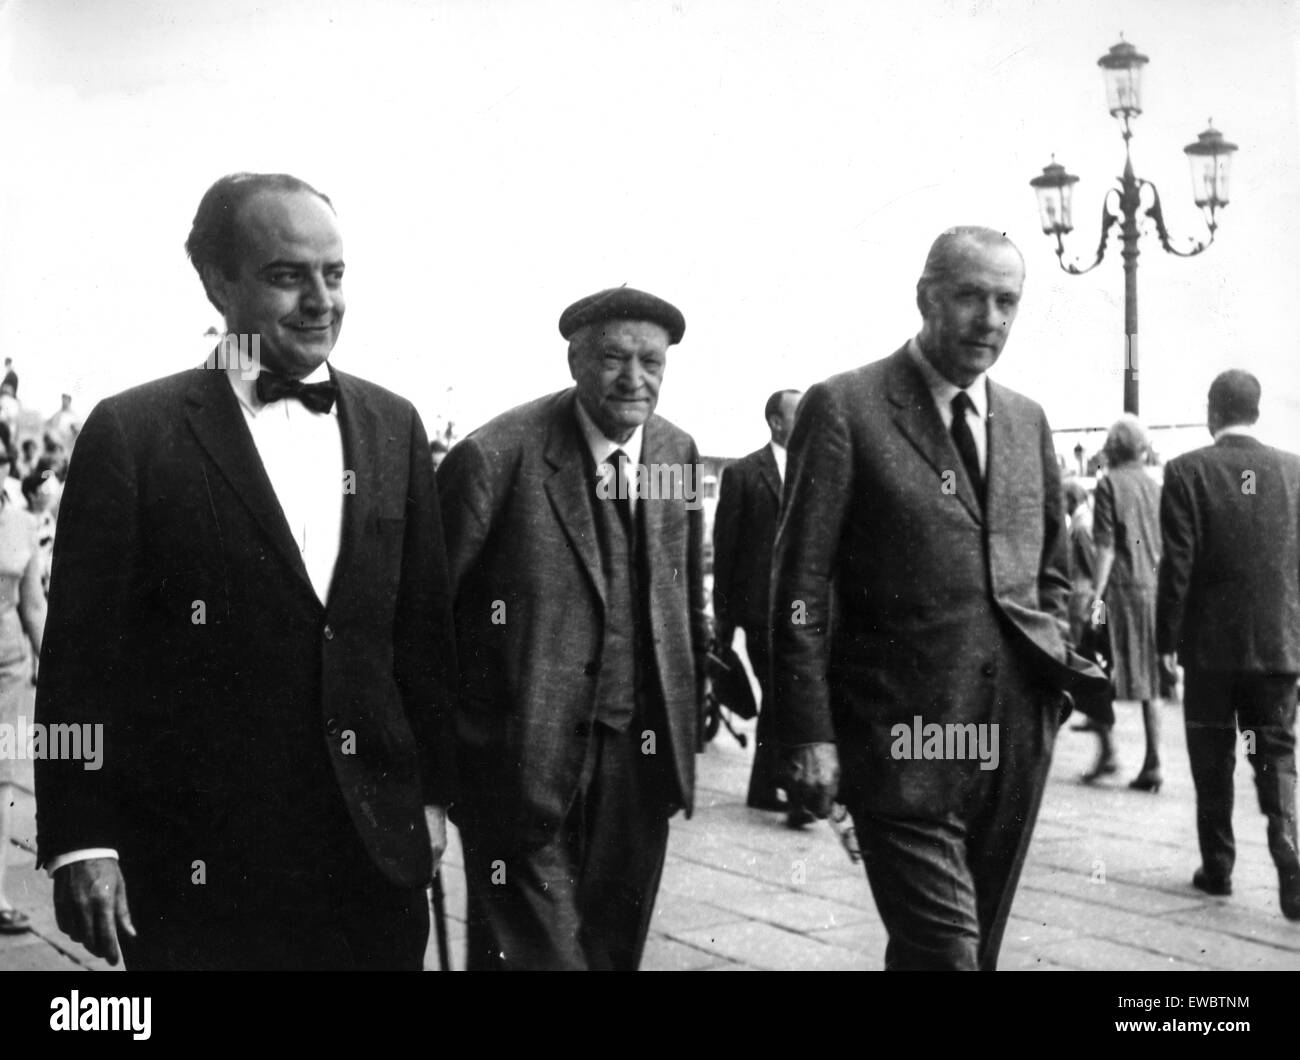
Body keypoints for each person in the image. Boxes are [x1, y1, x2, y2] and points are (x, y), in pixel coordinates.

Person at [34, 172, 458, 969]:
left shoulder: (394, 425)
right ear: (216, 281)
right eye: (287, 276)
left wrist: (430, 796)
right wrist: (80, 839)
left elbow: (422, 632)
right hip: (198, 866)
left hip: (372, 859)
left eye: (334, 275)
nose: (321, 301)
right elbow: (77, 662)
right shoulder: (132, 433)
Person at [770, 226, 1105, 971]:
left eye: (1007, 302)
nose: (990, 319)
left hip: (1011, 739)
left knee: (961, 953)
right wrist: (807, 733)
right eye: (970, 297)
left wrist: (1048, 685)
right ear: (926, 297)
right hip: (900, 739)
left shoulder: (1026, 419)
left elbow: (1051, 567)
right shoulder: (846, 408)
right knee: (948, 954)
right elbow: (798, 588)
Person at [438, 286, 708, 970]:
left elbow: (678, 591)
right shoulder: (495, 457)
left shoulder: (676, 454)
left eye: (652, 362)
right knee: (537, 958)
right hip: (520, 762)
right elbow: (429, 621)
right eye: (614, 358)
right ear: (574, 361)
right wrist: (451, 763)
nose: (634, 379)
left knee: (613, 950)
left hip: (640, 760)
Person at [1157, 369, 1300, 919]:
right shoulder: (1292, 473)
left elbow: (1178, 566)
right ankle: (1286, 842)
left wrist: (1165, 641)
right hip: (1277, 648)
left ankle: (1218, 866)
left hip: (1210, 650)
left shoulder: (1186, 471)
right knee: (1277, 754)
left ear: (1212, 410)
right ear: (1257, 411)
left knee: (1212, 757)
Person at [712, 388, 811, 826]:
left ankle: (763, 786)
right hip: (761, 612)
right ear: (775, 421)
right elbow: (727, 549)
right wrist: (725, 623)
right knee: (785, 693)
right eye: (798, 414)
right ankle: (793, 792)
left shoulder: (817, 470)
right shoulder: (743, 474)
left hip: (805, 613)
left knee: (781, 696)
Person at [1090, 415, 1162, 791]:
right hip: (1151, 590)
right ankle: (1153, 759)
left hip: (1117, 592)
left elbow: (1105, 548)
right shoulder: (1155, 486)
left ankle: (1108, 752)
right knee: (1149, 678)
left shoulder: (1108, 485)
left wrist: (1094, 599)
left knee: (1092, 664)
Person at [0, 446, 47, 933]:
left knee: (2, 781)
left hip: (9, 667)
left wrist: (52, 665)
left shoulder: (21, 524)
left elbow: (32, 605)